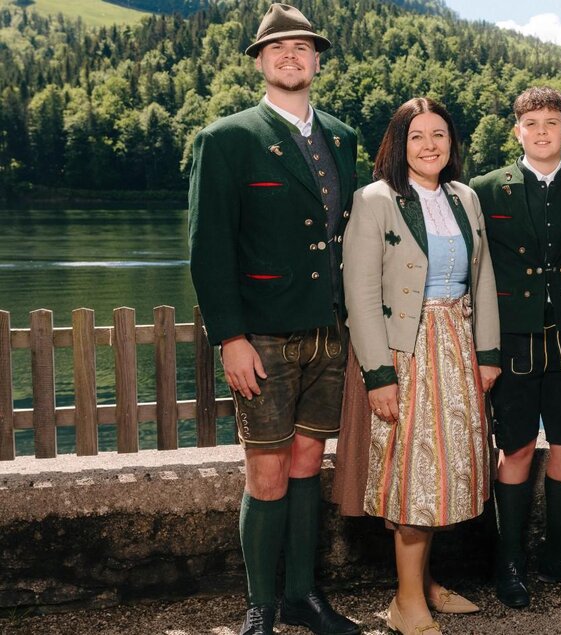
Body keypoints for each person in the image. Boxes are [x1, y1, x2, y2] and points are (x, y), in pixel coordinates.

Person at [188, 4, 360, 635]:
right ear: (259, 61)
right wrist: (230, 337)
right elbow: (209, 250)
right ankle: (260, 605)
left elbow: (346, 237)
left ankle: (302, 595)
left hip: (328, 332)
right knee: (265, 469)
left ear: (317, 61)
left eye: (304, 48)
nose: (292, 56)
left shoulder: (342, 137)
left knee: (310, 461)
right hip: (260, 334)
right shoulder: (225, 139)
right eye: (279, 48)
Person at [339, 97, 501, 635]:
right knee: (411, 478)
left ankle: (425, 585)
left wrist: (488, 353)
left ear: (452, 143)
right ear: (398, 144)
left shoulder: (465, 197)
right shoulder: (376, 200)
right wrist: (378, 374)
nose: (429, 145)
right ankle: (406, 601)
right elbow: (360, 293)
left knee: (443, 474)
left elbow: (481, 277)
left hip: (456, 344)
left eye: (439, 135)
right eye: (417, 136)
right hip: (405, 352)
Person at [468, 87, 561, 609]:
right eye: (532, 122)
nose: (543, 130)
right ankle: (510, 564)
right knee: (518, 449)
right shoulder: (485, 189)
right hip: (513, 340)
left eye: (553, 121)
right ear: (518, 131)